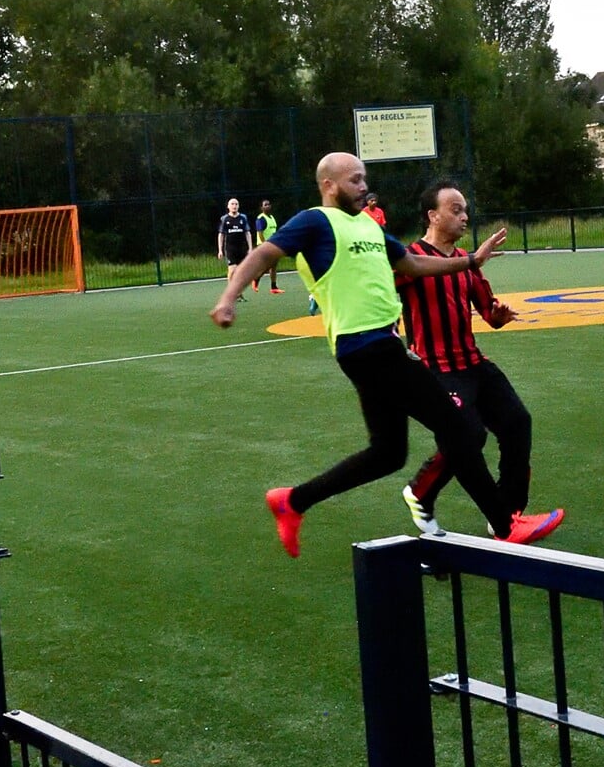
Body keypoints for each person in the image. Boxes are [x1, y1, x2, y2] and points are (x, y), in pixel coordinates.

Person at [210, 153, 563, 556]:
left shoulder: (369, 226)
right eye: (355, 180)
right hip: (365, 346)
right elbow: (262, 255)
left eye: (364, 179)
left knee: (388, 453)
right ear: (329, 185)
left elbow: (411, 263)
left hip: (379, 346)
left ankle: (293, 501)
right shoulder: (315, 221)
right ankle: (505, 525)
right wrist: (228, 298)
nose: (364, 187)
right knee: (460, 429)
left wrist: (470, 261)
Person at [397, 181, 541, 538]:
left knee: (517, 422)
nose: (464, 216)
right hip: (435, 369)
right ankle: (420, 491)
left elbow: (488, 313)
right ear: (433, 215)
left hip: (473, 363)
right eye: (455, 209)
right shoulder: (409, 258)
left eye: (465, 210)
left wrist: (499, 314)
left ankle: (506, 515)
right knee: (468, 435)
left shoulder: (466, 264)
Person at [217, 198, 253, 297]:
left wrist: (250, 248)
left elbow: (247, 233)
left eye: (236, 204)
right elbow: (221, 235)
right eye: (232, 204)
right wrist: (220, 250)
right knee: (232, 270)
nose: (234, 206)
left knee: (241, 271)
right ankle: (231, 293)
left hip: (242, 248)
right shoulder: (225, 219)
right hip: (230, 248)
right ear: (228, 206)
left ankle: (239, 293)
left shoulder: (243, 218)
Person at [252, 200, 283, 294]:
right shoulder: (261, 218)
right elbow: (260, 233)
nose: (267, 206)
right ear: (261, 208)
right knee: (267, 266)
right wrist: (265, 244)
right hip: (264, 245)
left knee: (273, 266)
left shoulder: (272, 218)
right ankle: (256, 279)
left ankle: (274, 287)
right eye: (265, 205)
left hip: (274, 245)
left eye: (269, 204)